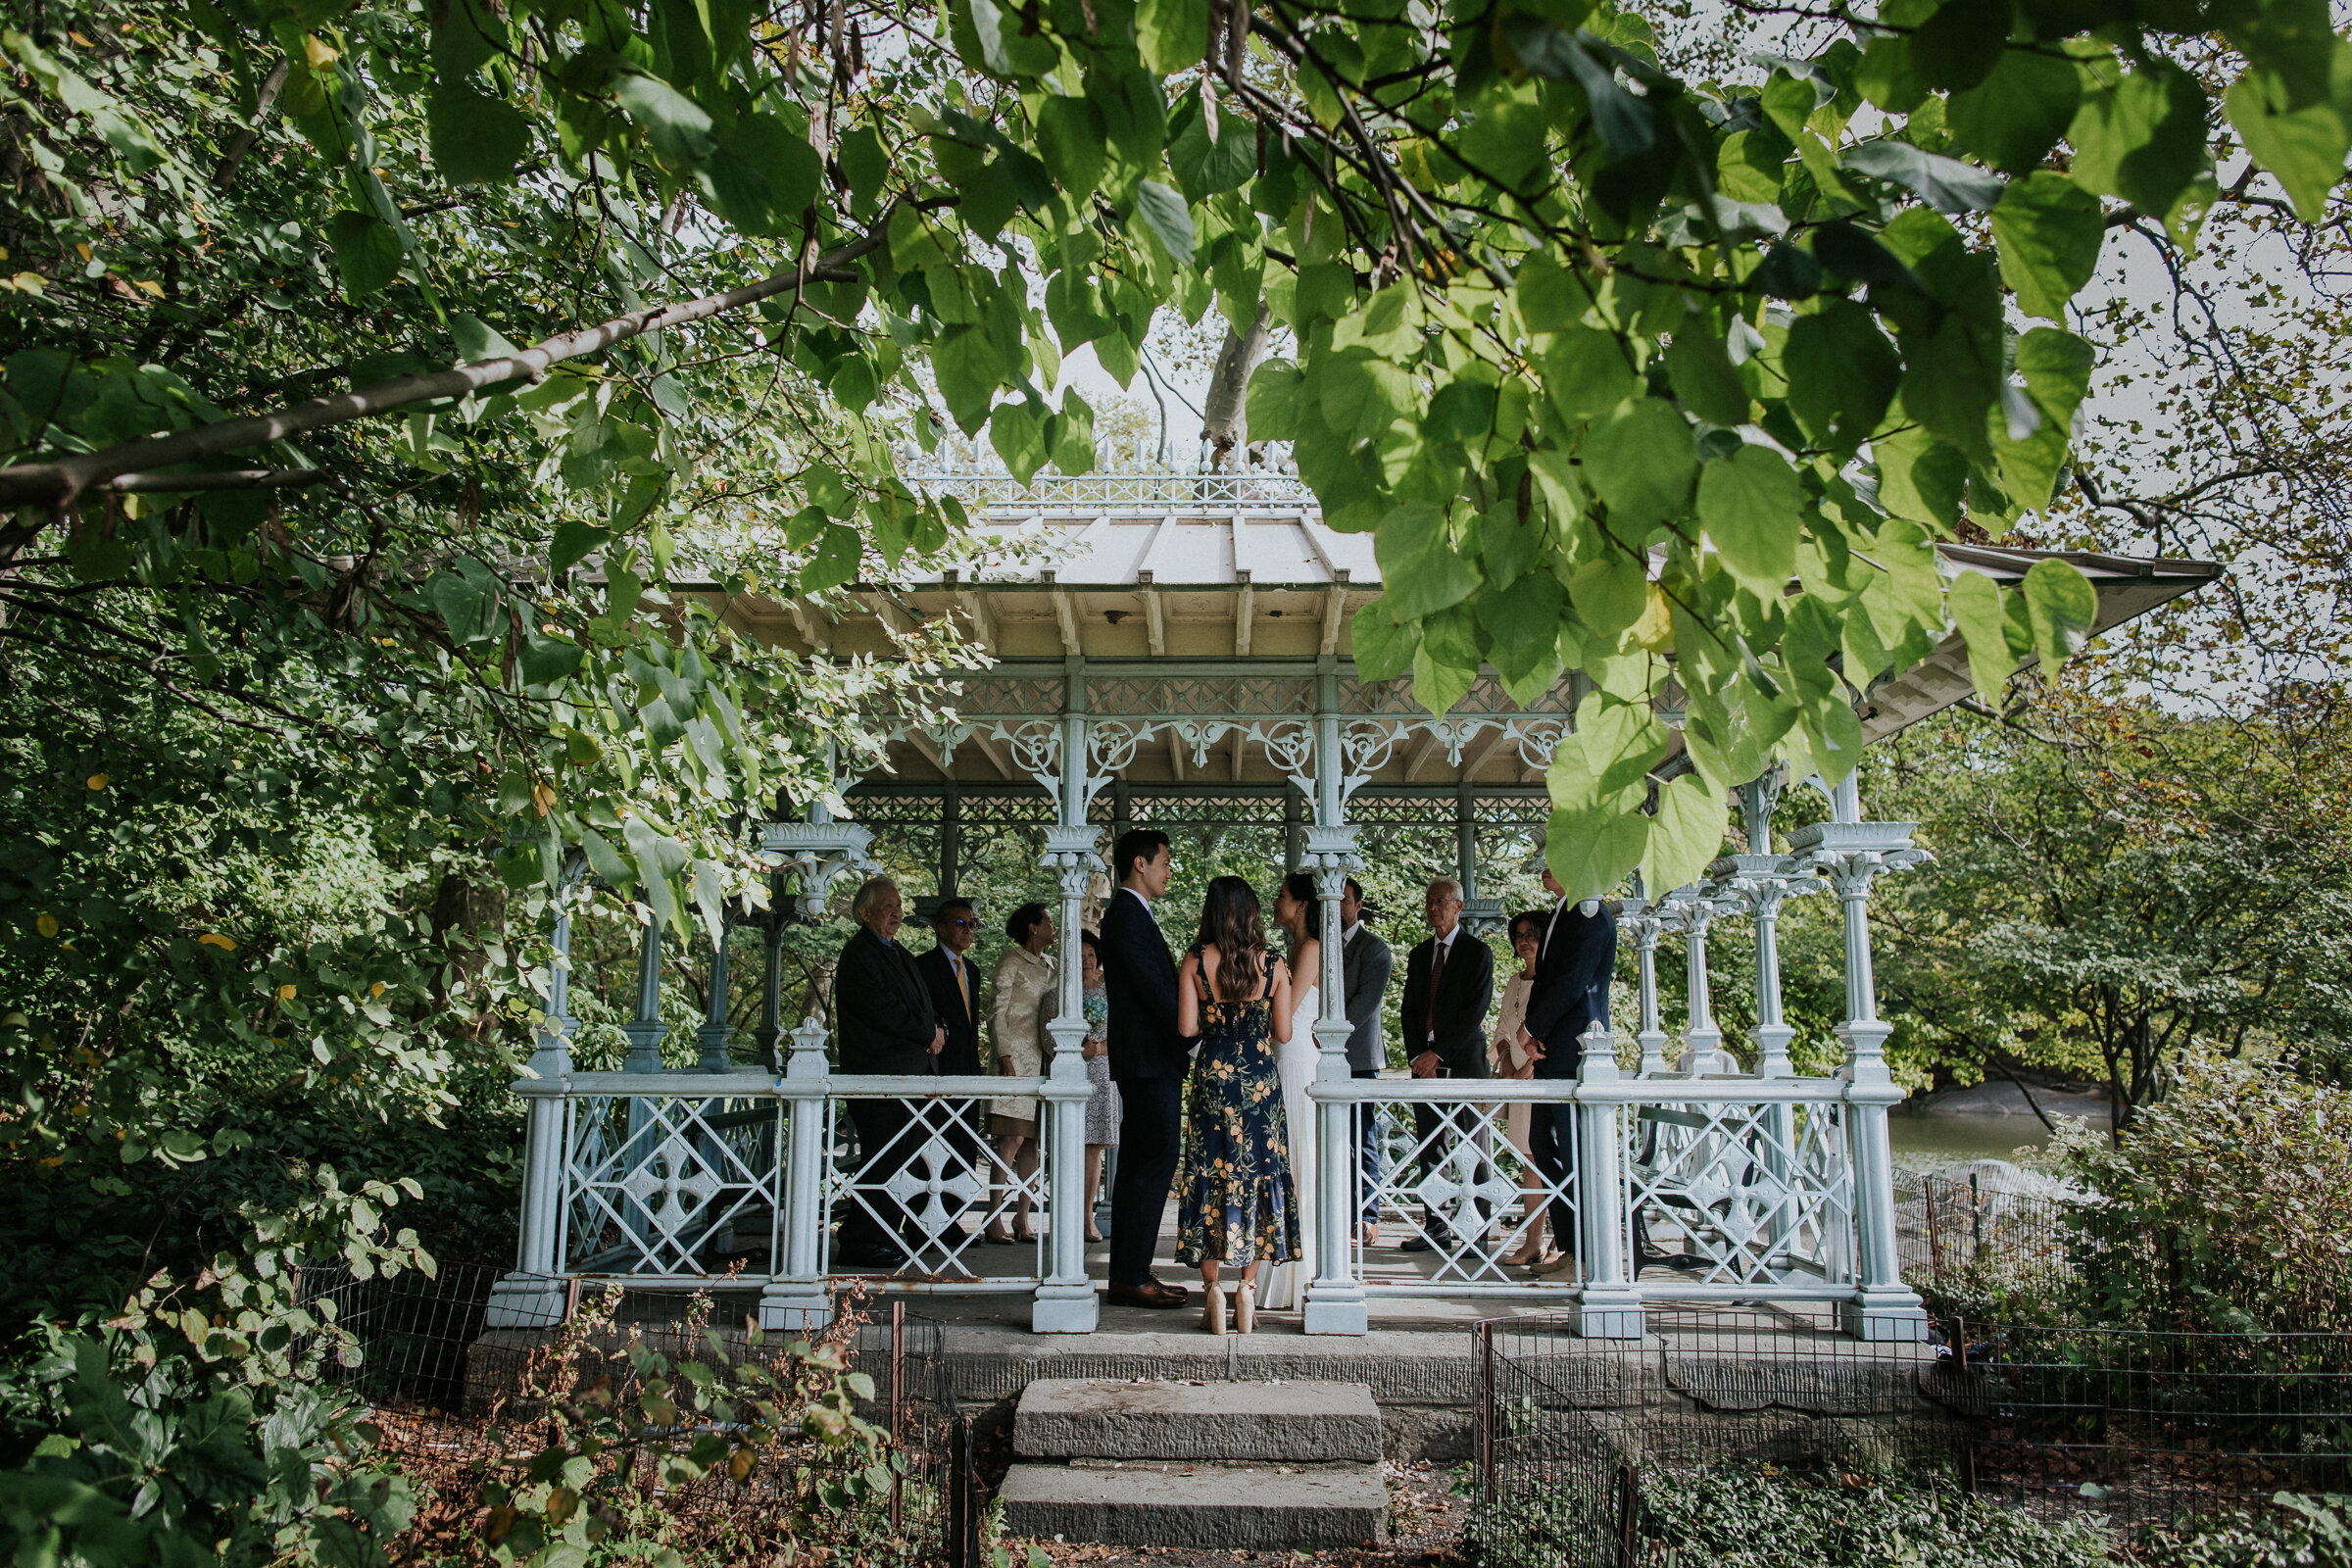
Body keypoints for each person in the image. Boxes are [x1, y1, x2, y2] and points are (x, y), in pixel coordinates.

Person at [1174, 875, 1298, 1334]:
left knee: (1210, 1172)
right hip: (1260, 1082)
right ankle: (1247, 1289)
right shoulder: (1274, 964)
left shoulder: (1194, 961)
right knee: (1258, 1173)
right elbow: (1283, 1033)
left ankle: (1212, 1290)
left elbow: (1188, 1028)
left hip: (1213, 1076)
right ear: (1251, 913)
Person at [1098, 828, 1192, 1309]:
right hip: (1148, 1060)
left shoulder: (1134, 915)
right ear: (1140, 863)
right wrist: (1193, 1031)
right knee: (1152, 1160)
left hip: (1149, 1059)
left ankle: (1132, 1271)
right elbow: (1156, 991)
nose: (1168, 870)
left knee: (1144, 1161)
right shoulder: (1125, 916)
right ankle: (1131, 1276)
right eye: (1164, 861)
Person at [832, 876, 946, 1268]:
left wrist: (938, 1027)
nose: (897, 912)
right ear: (864, 913)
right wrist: (927, 1031)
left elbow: (923, 1005)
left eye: (898, 905)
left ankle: (884, 1233)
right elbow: (882, 1010)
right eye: (887, 907)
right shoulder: (859, 954)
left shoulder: (900, 953)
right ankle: (860, 1240)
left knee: (902, 1160)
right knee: (881, 1159)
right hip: (879, 1077)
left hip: (909, 1074)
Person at [1516, 865, 1619, 1277]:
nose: (1545, 865)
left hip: (1578, 1047)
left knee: (1574, 1150)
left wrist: (1531, 1029)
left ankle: (1585, 1252)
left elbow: (1573, 981)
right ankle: (1571, 1245)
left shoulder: (1589, 912)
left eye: (1557, 854)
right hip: (1553, 1047)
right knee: (1543, 1143)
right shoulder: (1564, 909)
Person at [1396, 877, 1494, 1254]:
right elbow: (1409, 1010)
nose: (1433, 908)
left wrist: (1439, 1054)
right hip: (1425, 1065)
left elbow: (1475, 1011)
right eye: (1429, 901)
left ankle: (1477, 1231)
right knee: (1431, 1146)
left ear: (1459, 906)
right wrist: (1419, 1057)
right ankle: (1436, 1226)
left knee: (1473, 1144)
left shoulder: (1477, 952)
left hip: (1465, 1061)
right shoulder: (1420, 954)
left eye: (1441, 901)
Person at [1257, 872, 1324, 1312]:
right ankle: (1277, 1272)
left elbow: (1286, 1010)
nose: (1275, 902)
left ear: (1300, 906)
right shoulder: (1292, 951)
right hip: (1284, 1058)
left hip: (1297, 1061)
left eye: (1282, 896)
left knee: (1295, 1165)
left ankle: (1295, 1277)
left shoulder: (1311, 949)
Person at [984, 902, 1054, 1245]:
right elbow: (996, 1009)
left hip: (1045, 1063)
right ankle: (992, 1216)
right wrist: (1003, 1053)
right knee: (1010, 1139)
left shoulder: (1052, 966)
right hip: (1014, 1061)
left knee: (1033, 1143)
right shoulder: (1011, 960)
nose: (1053, 927)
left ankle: (1023, 1218)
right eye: (1049, 922)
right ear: (1032, 927)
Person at [1490, 910, 1556, 1269]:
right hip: (1516, 1079)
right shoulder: (1515, 982)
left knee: (1547, 1158)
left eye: (1532, 933)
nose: (1525, 940)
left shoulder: (1551, 979)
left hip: (1540, 1081)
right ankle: (1534, 1241)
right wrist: (1506, 1063)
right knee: (1528, 1158)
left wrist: (1530, 1067)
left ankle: (1556, 1241)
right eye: (1518, 935)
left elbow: (1550, 1030)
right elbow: (1503, 1028)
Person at [1337, 878, 1393, 1246]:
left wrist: (1324, 1035)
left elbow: (1365, 1004)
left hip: (1357, 1055)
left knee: (1362, 1138)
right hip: (1320, 1057)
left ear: (1358, 905)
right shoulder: (1317, 946)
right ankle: (1335, 1212)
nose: (1337, 907)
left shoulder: (1375, 949)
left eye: (1344, 900)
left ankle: (1368, 1215)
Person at [916, 897, 986, 1078]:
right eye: (961, 923)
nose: (968, 930)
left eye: (972, 924)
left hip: (969, 1068)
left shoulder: (972, 970)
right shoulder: (923, 966)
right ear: (941, 928)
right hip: (937, 1067)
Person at [1077, 929, 1116, 1246]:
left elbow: (1123, 1027)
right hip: (1074, 1069)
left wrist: (1100, 1050)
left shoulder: (1108, 987)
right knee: (1072, 1143)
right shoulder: (1064, 989)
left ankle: (1088, 1215)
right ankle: (1069, 1213)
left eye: (1090, 955)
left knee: (1094, 1147)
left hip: (1102, 1070)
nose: (1086, 961)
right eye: (1080, 955)